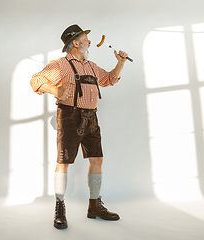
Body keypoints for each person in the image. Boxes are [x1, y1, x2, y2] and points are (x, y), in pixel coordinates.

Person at [30, 24, 129, 229]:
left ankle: (94, 206)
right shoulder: (60, 65)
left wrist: (120, 63)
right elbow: (35, 80)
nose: (90, 41)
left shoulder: (92, 66)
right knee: (63, 161)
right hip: (69, 116)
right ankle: (59, 207)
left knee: (97, 159)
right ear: (75, 43)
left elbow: (109, 79)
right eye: (86, 38)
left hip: (91, 117)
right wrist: (55, 90)